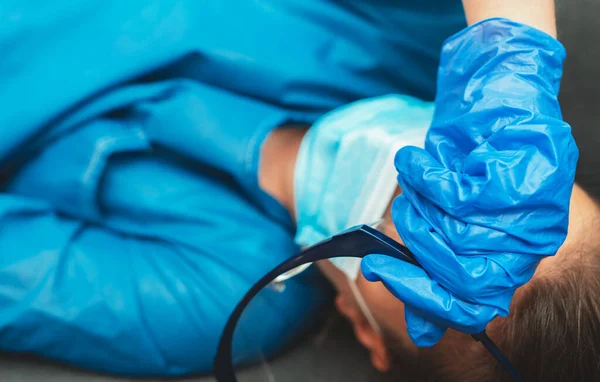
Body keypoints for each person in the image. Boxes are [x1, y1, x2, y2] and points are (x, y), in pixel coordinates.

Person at [0, 0, 577, 377]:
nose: (441, 189)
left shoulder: (214, 296)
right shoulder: (429, 34)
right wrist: (512, 54)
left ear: (363, 328)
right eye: (493, 177)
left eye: (421, 237)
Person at [260, 121, 600, 381]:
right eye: (489, 179)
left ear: (366, 327)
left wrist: (282, 164)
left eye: (421, 259)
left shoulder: (227, 297)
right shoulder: (424, 41)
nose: (432, 183)